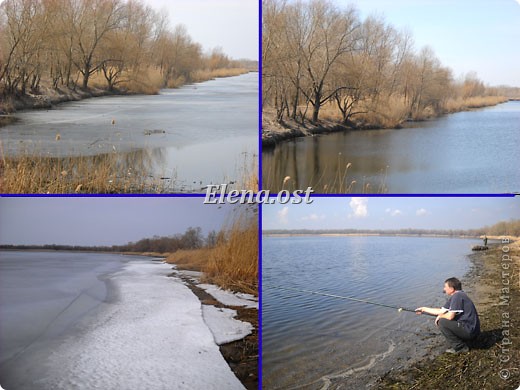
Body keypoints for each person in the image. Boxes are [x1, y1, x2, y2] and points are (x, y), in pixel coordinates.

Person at [415, 277, 480, 354]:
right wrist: (423, 309)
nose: (444, 289)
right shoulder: (459, 295)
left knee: (442, 322)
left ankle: (460, 347)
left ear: (452, 288)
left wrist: (440, 317)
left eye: (445, 287)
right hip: (472, 330)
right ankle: (465, 341)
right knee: (444, 318)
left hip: (470, 331)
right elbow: (440, 311)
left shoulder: (457, 296)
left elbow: (450, 316)